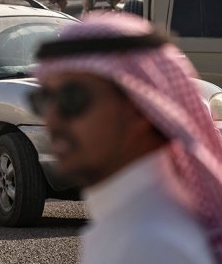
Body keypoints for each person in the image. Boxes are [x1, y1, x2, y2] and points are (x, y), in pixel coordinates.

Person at [29, 14, 222, 264]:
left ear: (140, 108)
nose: (52, 119)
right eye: (44, 99)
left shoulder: (149, 243)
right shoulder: (133, 223)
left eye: (72, 99)